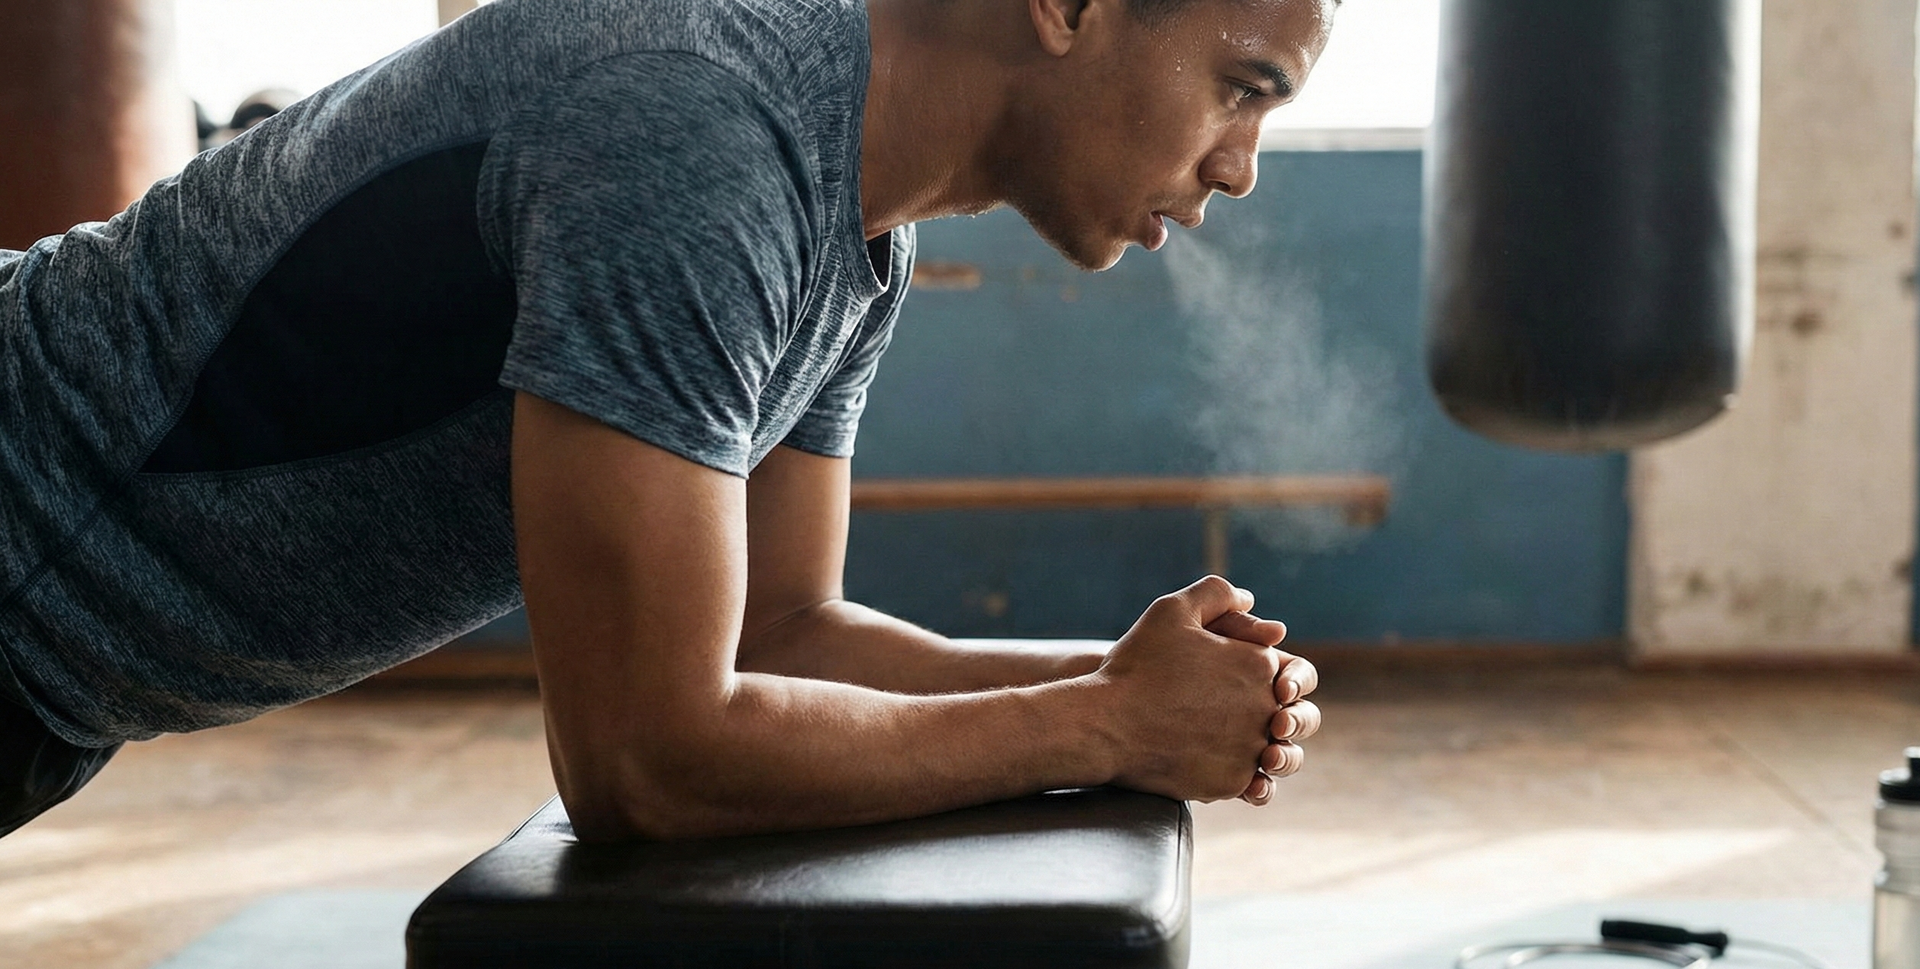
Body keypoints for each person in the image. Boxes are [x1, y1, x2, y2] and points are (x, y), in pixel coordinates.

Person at [0, 0, 1333, 841]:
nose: (1241, 164)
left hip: (54, 675)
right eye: (1243, 84)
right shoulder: (700, 129)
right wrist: (1103, 726)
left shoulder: (853, 222)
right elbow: (648, 758)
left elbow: (785, 630)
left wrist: (1128, 685)